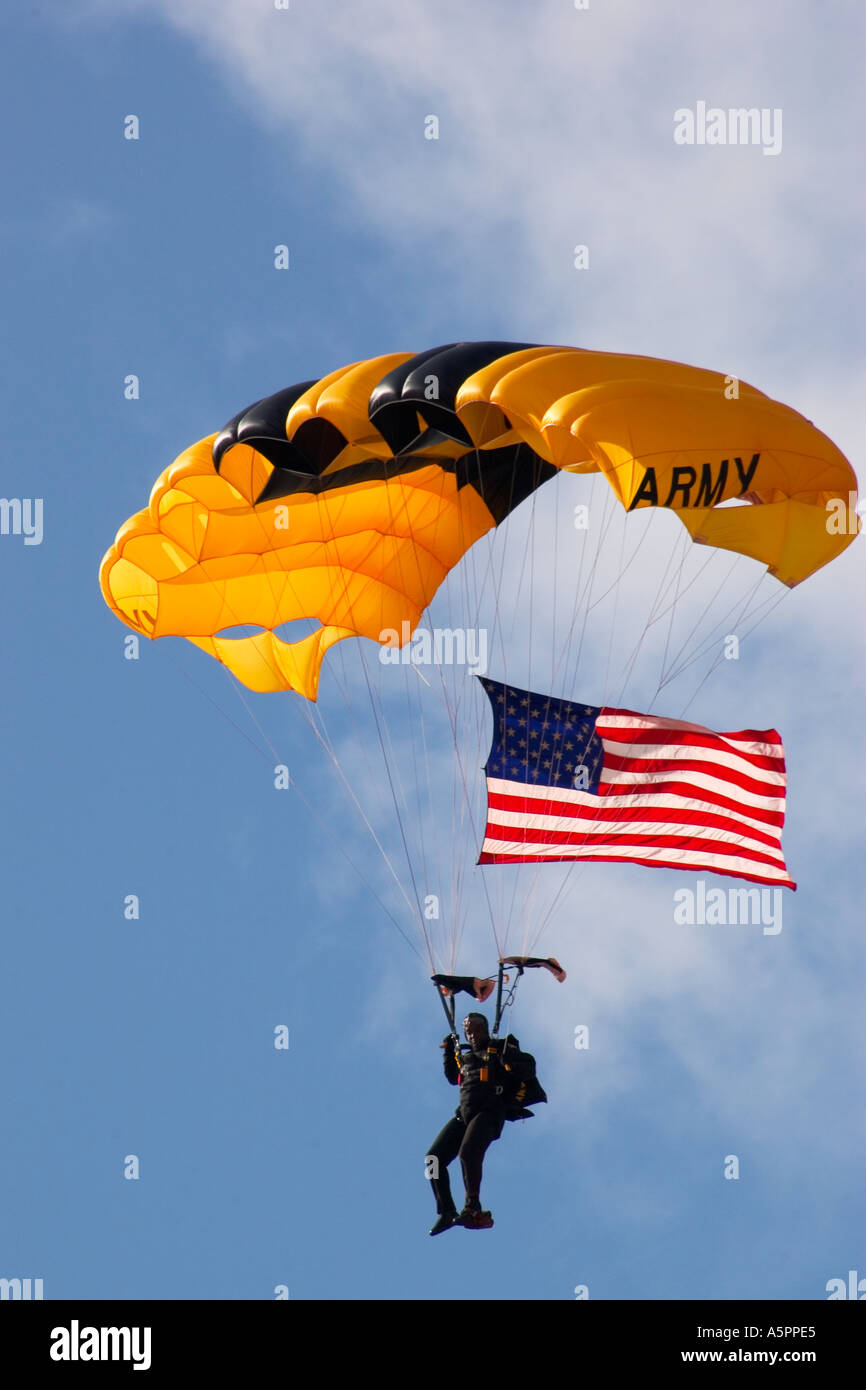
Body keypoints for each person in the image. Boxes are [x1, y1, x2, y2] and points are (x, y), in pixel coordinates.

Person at [425, 1012, 541, 1235]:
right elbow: (453, 1077)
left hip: (489, 1112)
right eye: (467, 1030)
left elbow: (528, 1066)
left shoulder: (499, 1049)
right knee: (433, 1158)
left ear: (485, 1029)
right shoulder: (466, 1058)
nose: (471, 1034)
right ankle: (447, 1212)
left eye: (475, 1028)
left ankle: (472, 1206)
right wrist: (450, 1049)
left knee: (468, 1153)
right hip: (464, 1115)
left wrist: (510, 1060)